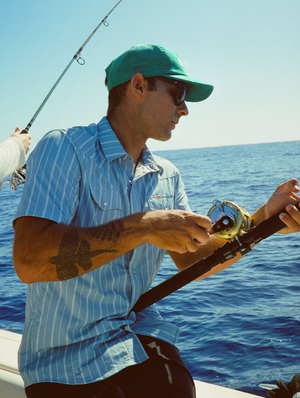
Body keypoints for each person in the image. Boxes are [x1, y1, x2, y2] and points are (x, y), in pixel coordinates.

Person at [13, 44, 300, 398]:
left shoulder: (168, 175)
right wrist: (145, 226)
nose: (185, 109)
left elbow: (191, 259)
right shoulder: (64, 148)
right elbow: (29, 261)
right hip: (65, 361)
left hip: (137, 338)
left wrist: (262, 220)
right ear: (137, 86)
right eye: (178, 93)